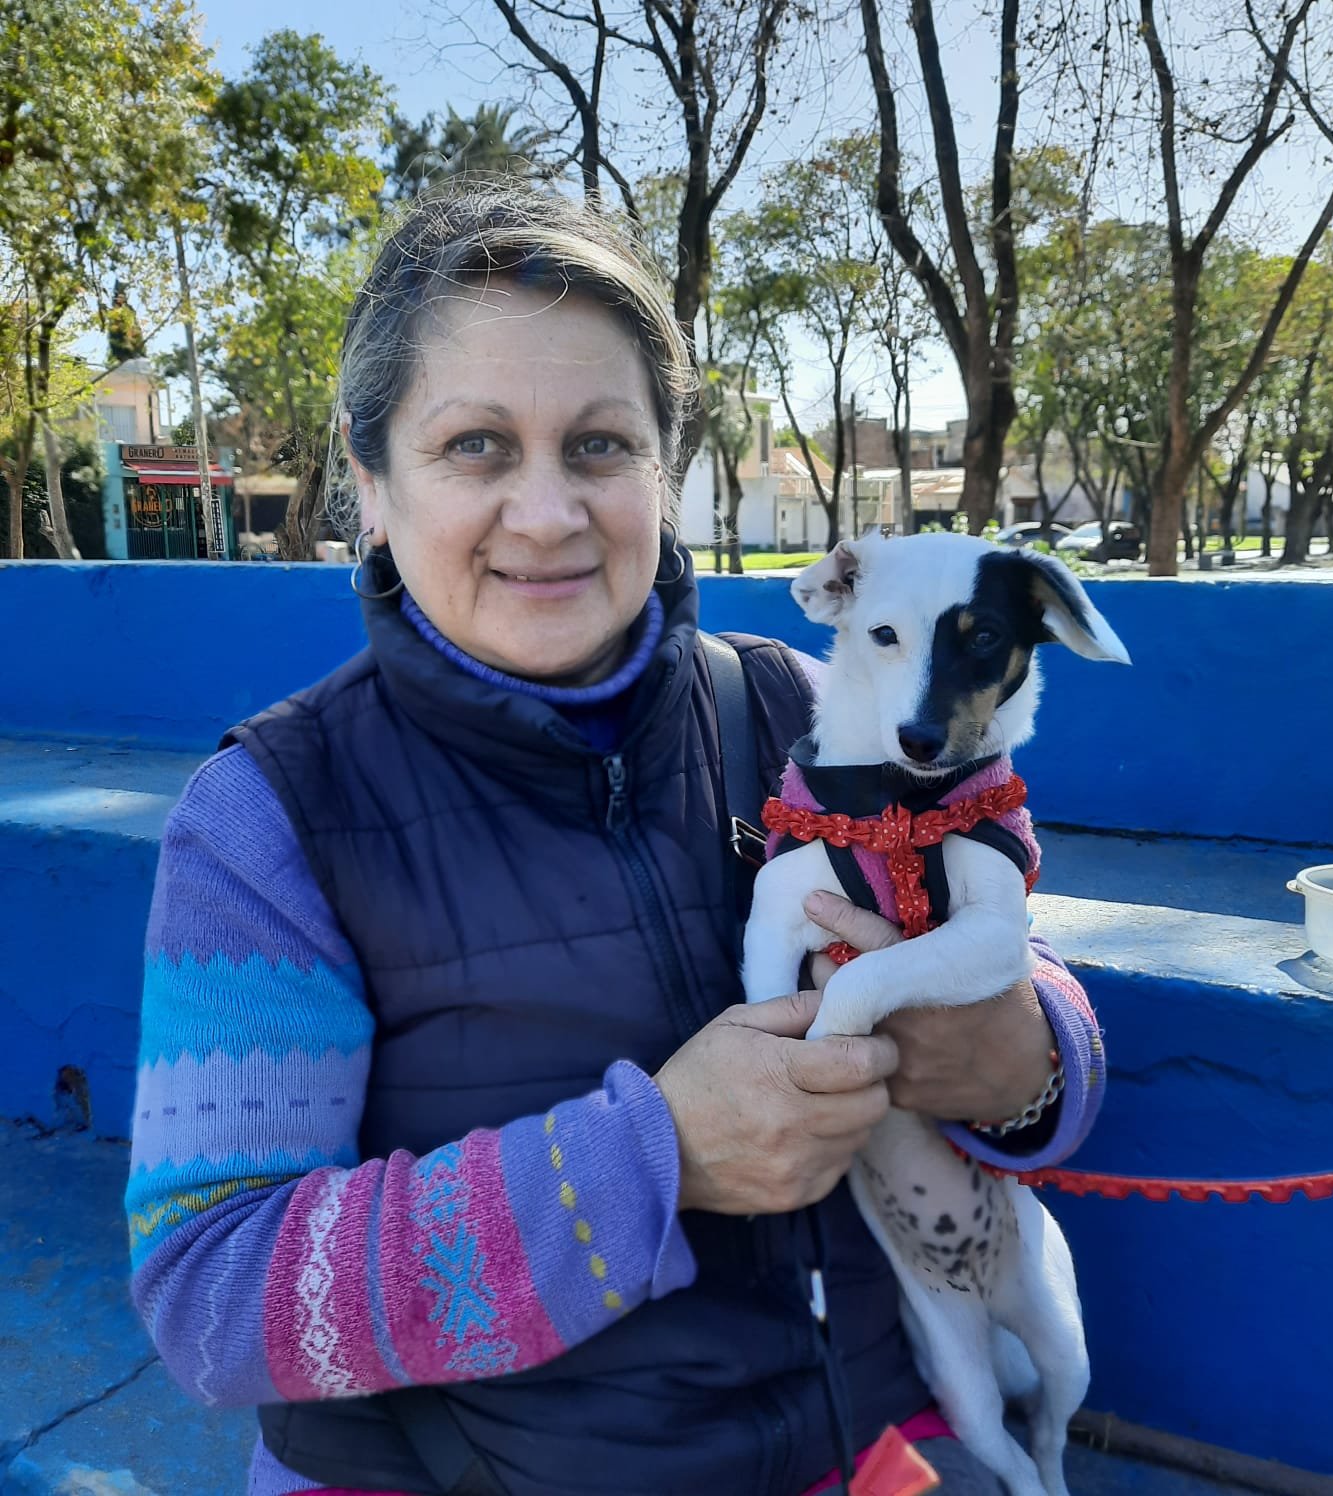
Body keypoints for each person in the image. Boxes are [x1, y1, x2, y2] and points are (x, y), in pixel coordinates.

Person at [125, 184, 1105, 1496]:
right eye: (476, 446)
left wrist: (1028, 1057)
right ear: (371, 483)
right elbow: (212, 1297)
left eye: (599, 446)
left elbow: (1013, 998)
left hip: (873, 1440)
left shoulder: (808, 714)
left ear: (666, 469)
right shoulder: (271, 820)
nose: (547, 514)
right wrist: (649, 1166)